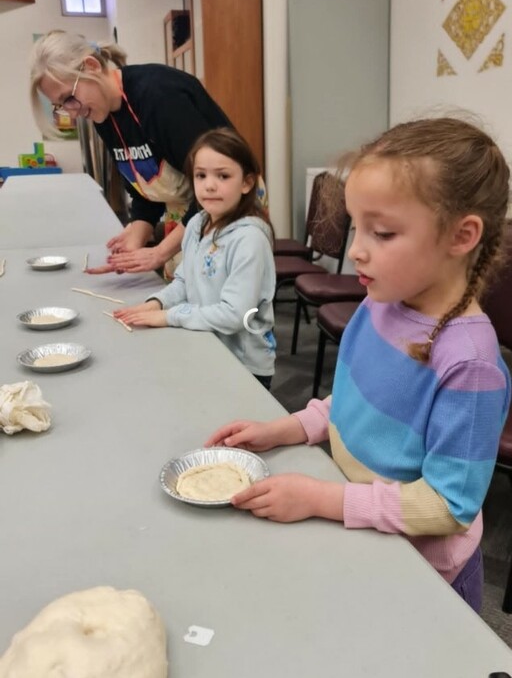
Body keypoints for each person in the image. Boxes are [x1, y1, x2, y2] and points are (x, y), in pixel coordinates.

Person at [205, 117, 512, 613]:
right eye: (357, 227)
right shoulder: (381, 303)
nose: (356, 252)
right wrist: (284, 429)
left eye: (383, 232)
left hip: (423, 574)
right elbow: (352, 405)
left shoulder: (471, 364)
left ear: (462, 236)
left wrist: (319, 500)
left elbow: (449, 506)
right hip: (364, 531)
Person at [29, 30, 265, 276]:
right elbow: (143, 190)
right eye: (62, 105)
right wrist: (137, 233)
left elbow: (215, 189)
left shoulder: (159, 97)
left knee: (222, 301)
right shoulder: (103, 116)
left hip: (233, 207)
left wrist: (160, 252)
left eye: (69, 98)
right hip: (191, 215)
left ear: (91, 67)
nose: (73, 112)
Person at [114, 128, 276, 388]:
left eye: (223, 176)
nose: (209, 185)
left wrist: (170, 317)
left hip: (244, 364)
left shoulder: (249, 240)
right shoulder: (196, 224)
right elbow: (183, 281)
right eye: (201, 175)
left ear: (246, 183)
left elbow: (234, 315)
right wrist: (157, 303)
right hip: (206, 344)